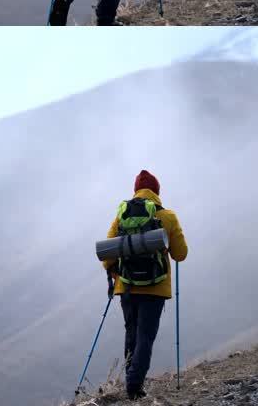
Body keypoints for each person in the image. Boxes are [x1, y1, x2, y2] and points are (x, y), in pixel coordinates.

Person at [102, 169, 187, 400]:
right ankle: (134, 385)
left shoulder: (122, 215)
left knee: (131, 333)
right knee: (145, 337)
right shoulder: (167, 216)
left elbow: (109, 252)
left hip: (127, 286)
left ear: (136, 190)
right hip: (155, 288)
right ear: (157, 191)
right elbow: (180, 254)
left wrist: (111, 272)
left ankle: (131, 378)